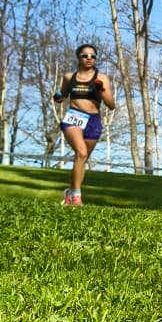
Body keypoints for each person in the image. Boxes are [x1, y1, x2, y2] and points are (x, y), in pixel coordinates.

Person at [53, 44, 116, 206]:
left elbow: (111, 105)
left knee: (82, 158)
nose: (89, 59)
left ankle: (70, 192)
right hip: (74, 116)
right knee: (81, 153)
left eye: (92, 56)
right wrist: (58, 96)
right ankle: (76, 197)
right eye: (85, 55)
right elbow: (62, 96)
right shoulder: (69, 77)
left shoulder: (101, 78)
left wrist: (101, 89)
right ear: (78, 57)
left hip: (93, 120)